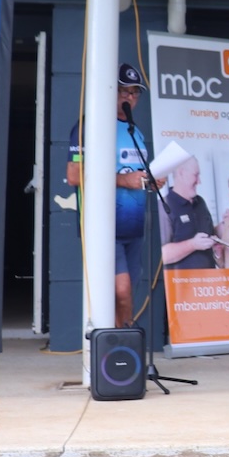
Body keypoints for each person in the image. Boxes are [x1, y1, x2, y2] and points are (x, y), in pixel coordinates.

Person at [64, 62, 154, 327]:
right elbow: (74, 175)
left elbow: (136, 175)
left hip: (134, 226)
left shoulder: (135, 131)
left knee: (126, 296)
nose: (130, 97)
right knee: (121, 291)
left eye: (135, 92)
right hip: (104, 225)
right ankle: (115, 345)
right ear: (110, 90)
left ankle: (122, 345)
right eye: (124, 91)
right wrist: (124, 180)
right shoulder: (89, 126)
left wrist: (151, 181)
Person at [158, 153, 217, 270]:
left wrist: (227, 224)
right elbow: (161, 255)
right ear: (181, 173)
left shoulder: (200, 202)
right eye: (196, 175)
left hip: (209, 279)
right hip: (181, 280)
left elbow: (209, 233)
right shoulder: (164, 206)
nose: (199, 181)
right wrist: (193, 244)